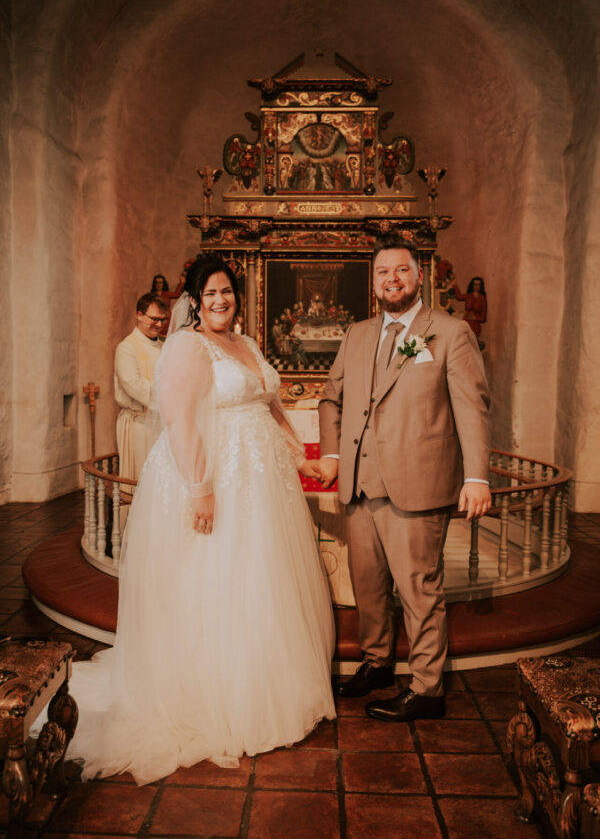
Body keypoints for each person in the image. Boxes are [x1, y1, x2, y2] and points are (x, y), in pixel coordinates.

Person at [66, 255, 336, 784]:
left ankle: (266, 690)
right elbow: (179, 419)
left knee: (262, 580)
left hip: (263, 484)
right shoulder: (188, 346)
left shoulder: (246, 342)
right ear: (194, 300)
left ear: (237, 297)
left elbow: (270, 405)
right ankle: (216, 700)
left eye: (226, 292)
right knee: (218, 579)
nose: (220, 300)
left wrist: (298, 455)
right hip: (217, 478)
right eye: (209, 293)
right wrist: (200, 487)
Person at [317, 236, 491, 722]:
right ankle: (377, 663)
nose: (391, 279)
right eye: (382, 272)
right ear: (373, 281)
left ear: (419, 276)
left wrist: (477, 476)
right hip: (360, 483)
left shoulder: (450, 332)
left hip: (419, 482)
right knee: (368, 585)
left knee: (418, 589)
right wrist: (332, 453)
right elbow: (331, 397)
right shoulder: (357, 334)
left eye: (401, 270)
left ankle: (427, 687)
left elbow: (473, 407)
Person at [114, 293, 168, 480]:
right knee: (142, 476)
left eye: (163, 320)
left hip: (163, 422)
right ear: (139, 315)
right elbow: (133, 384)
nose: (159, 325)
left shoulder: (165, 346)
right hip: (140, 423)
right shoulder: (127, 347)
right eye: (154, 319)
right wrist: (170, 396)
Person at [452, 275, 487, 340]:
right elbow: (459, 297)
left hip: (475, 326)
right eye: (475, 284)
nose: (477, 287)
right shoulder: (469, 296)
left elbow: (483, 318)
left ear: (481, 286)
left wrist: (475, 318)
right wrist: (455, 285)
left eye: (479, 285)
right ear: (472, 286)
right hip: (466, 323)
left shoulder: (482, 298)